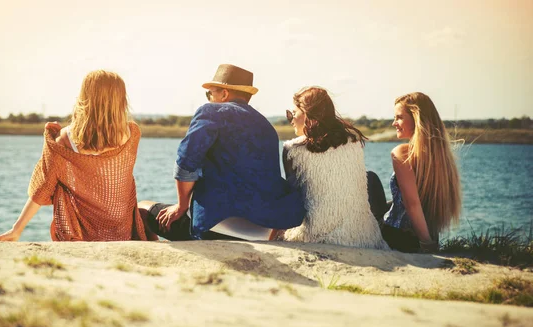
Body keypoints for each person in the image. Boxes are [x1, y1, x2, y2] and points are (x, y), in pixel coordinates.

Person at [139, 64, 305, 240]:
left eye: (210, 93)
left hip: (216, 224)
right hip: (264, 223)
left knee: (142, 208)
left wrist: (181, 206)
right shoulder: (266, 126)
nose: (209, 98)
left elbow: (186, 165)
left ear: (224, 93)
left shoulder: (211, 112)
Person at [0, 70, 148, 241]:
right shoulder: (132, 134)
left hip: (80, 232)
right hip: (121, 228)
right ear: (121, 100)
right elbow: (102, 167)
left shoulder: (64, 139)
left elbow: (43, 187)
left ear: (84, 98)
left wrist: (17, 229)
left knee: (58, 181)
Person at [271, 86, 388, 249]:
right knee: (371, 177)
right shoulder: (353, 141)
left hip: (316, 236)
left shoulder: (292, 149)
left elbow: (293, 200)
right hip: (363, 235)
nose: (290, 119)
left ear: (308, 114)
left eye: (293, 113)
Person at [369, 92, 462, 252]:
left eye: (399, 117)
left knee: (369, 178)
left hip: (398, 237)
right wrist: (430, 239)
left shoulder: (402, 153)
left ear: (416, 120)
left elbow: (413, 204)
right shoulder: (442, 157)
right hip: (428, 234)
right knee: (391, 201)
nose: (394, 123)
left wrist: (426, 245)